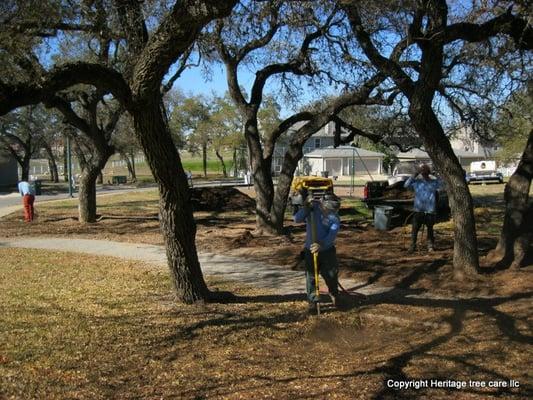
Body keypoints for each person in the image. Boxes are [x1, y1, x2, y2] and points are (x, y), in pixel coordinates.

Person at [294, 193, 341, 315]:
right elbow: (296, 219)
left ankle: (334, 293)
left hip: (327, 251)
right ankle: (313, 301)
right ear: (323, 205)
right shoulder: (313, 208)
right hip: (310, 250)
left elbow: (331, 236)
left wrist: (321, 244)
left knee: (331, 274)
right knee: (311, 277)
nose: (332, 212)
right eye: (330, 210)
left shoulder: (335, 218)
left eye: (334, 210)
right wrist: (305, 207)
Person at [404, 164, 443, 253]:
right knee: (415, 229)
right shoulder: (417, 183)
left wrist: (436, 174)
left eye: (426, 172)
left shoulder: (433, 183)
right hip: (418, 210)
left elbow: (443, 184)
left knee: (430, 229)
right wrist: (414, 174)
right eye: (422, 172)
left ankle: (430, 247)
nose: (424, 174)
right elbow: (406, 185)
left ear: (429, 173)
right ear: (420, 173)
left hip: (430, 210)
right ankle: (412, 246)